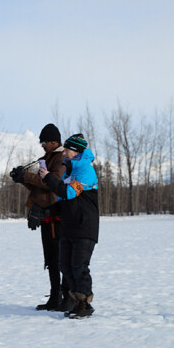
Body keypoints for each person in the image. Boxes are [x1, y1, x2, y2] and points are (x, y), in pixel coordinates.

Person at [9, 123, 69, 311]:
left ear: (54, 141)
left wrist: (27, 176)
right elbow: (39, 187)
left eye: (44, 142)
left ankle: (66, 297)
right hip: (45, 215)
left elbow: (53, 182)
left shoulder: (61, 158)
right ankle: (54, 297)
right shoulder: (48, 157)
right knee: (50, 259)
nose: (42, 145)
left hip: (57, 215)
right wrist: (22, 179)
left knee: (60, 259)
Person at [40, 134, 100, 319]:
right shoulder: (69, 171)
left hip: (84, 227)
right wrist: (47, 211)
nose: (64, 152)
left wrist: (48, 177)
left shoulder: (85, 172)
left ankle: (84, 304)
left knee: (78, 266)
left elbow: (68, 192)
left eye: (67, 150)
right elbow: (63, 199)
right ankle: (76, 301)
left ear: (77, 151)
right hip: (69, 226)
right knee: (65, 266)